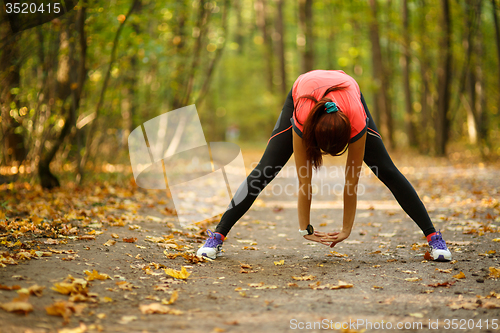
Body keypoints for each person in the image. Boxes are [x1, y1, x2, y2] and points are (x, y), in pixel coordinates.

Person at [196, 70, 452, 262]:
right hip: (305, 92)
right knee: (265, 170)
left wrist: (346, 229)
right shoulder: (303, 116)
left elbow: (351, 181)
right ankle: (217, 236)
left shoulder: (355, 120)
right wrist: (304, 228)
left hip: (347, 92)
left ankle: (434, 238)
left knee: (386, 170)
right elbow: (304, 180)